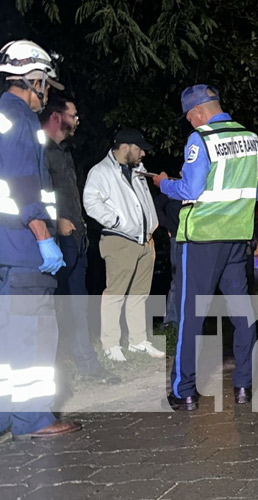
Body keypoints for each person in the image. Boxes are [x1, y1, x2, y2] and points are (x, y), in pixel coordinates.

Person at [153, 85, 258, 410]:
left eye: (190, 118)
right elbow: (256, 193)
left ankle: (184, 391)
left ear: (199, 112)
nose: (190, 123)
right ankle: (243, 387)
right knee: (242, 314)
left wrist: (164, 184)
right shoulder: (252, 139)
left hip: (201, 238)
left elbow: (190, 187)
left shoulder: (201, 140)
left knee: (191, 315)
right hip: (235, 238)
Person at [0, 39, 81, 439]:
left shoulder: (2, 115)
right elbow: (22, 184)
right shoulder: (20, 119)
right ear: (33, 80)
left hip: (5, 248)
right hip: (23, 247)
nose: (46, 93)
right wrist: (43, 235)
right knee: (32, 337)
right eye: (45, 85)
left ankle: (5, 418)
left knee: (9, 339)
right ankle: (32, 421)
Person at [40, 95, 120, 385]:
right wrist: (55, 222)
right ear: (58, 117)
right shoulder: (39, 150)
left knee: (76, 305)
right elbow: (36, 194)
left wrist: (78, 227)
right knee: (51, 309)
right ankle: (52, 370)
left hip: (76, 239)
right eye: (74, 114)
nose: (78, 120)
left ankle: (87, 365)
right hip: (52, 241)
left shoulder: (63, 151)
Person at [83, 127, 164, 362]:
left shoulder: (138, 170)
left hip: (144, 240)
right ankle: (110, 344)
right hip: (120, 240)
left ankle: (138, 341)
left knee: (139, 294)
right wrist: (117, 222)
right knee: (115, 294)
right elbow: (91, 202)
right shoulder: (101, 171)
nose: (143, 154)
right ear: (126, 147)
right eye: (140, 149)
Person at [153, 191, 181, 328]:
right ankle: (171, 321)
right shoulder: (173, 188)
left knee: (196, 281)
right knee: (177, 280)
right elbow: (156, 206)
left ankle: (191, 319)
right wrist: (167, 225)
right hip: (177, 238)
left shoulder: (198, 184)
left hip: (197, 238)